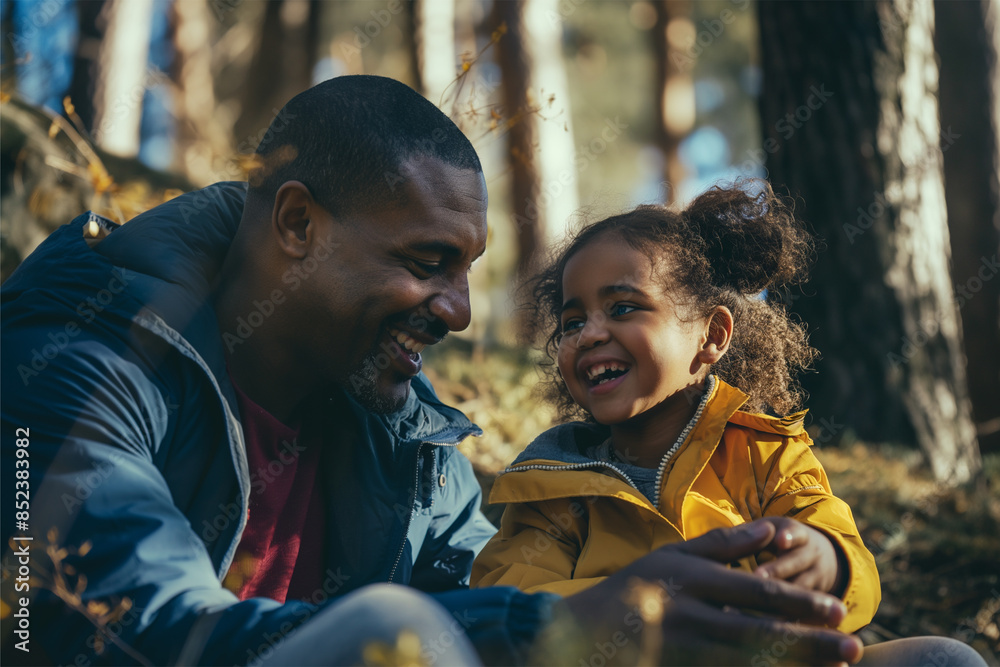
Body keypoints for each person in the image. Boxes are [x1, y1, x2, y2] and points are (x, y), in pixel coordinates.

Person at [2, 75, 881, 667]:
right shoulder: (75, 359)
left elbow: (495, 592)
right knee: (393, 634)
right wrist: (561, 628)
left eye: (466, 272)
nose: (459, 311)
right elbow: (116, 623)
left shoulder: (403, 438)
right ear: (299, 225)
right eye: (428, 262)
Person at [471, 185, 986, 666]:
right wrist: (631, 609)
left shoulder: (767, 454)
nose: (587, 335)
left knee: (944, 658)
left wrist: (830, 563)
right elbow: (514, 604)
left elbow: (843, 554)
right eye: (572, 321)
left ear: (712, 335)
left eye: (623, 307)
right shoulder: (551, 489)